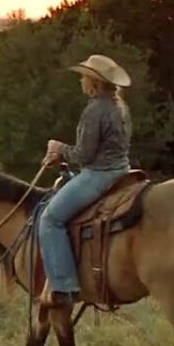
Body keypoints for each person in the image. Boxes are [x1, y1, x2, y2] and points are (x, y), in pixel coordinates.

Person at [39, 54, 133, 307]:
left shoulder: (95, 110)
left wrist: (59, 149)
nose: (81, 80)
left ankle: (64, 287)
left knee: (50, 219)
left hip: (99, 174)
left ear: (93, 82)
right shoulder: (119, 107)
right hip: (124, 171)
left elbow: (84, 154)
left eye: (84, 76)